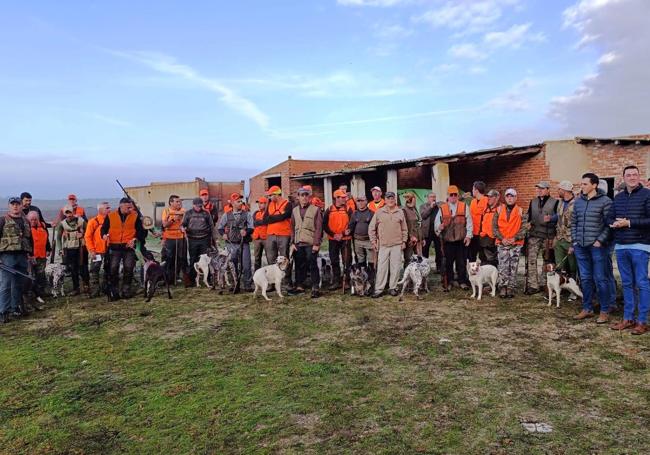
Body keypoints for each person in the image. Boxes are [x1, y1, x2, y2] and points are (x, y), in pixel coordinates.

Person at [608, 165, 650, 335]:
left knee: (641, 283)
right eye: (628, 175)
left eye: (635, 175)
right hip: (621, 245)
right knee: (626, 283)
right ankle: (628, 318)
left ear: (639, 177)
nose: (632, 177)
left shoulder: (647, 195)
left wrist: (629, 222)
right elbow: (608, 217)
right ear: (623, 177)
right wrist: (613, 223)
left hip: (640, 245)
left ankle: (642, 321)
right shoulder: (618, 197)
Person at [571, 173, 613, 323]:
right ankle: (587, 308)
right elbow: (574, 222)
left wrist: (600, 240)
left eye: (584, 184)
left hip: (597, 247)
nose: (581, 187)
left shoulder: (605, 201)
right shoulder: (578, 202)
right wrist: (575, 240)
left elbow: (610, 224)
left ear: (594, 185)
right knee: (585, 278)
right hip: (580, 246)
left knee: (601, 279)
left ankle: (604, 310)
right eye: (581, 184)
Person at [101, 198, 147, 299]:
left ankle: (126, 291)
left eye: (131, 207)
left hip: (128, 248)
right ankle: (114, 291)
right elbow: (103, 228)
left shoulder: (135, 217)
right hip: (114, 247)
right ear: (121, 206)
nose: (130, 209)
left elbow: (141, 232)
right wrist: (104, 235)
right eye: (128, 207)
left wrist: (134, 239)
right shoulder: (110, 216)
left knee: (129, 268)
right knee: (113, 269)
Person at [434, 185, 473, 291]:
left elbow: (469, 222)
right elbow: (436, 224)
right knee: (448, 263)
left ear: (458, 195)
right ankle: (449, 281)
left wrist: (469, 236)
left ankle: (462, 281)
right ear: (448, 196)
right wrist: (439, 227)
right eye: (451, 195)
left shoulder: (464, 206)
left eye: (455, 194)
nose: (453, 196)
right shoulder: (443, 208)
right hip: (448, 241)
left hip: (461, 240)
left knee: (462, 262)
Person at [0, 197, 33, 322]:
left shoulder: (26, 221)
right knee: (6, 285)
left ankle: (15, 308)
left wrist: (31, 254)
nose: (15, 206)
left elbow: (29, 239)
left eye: (17, 204)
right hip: (7, 256)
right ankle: (3, 311)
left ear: (21, 206)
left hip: (22, 256)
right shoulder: (2, 220)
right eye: (13, 204)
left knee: (19, 284)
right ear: (9, 206)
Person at [369, 192, 407, 297]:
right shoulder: (379, 212)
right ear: (385, 200)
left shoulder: (400, 212)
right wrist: (373, 241)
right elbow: (371, 228)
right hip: (383, 245)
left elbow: (404, 229)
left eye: (392, 198)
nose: (390, 200)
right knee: (382, 267)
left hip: (397, 244)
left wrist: (404, 241)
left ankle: (393, 287)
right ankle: (379, 289)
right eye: (388, 198)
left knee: (395, 267)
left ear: (395, 200)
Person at [289, 186, 323, 298]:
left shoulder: (316, 209)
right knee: (299, 265)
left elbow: (319, 228)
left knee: (312, 264)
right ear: (298, 197)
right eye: (301, 195)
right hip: (298, 243)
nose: (304, 197)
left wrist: (316, 244)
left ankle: (315, 287)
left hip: (310, 243)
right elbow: (292, 227)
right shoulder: (294, 210)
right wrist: (292, 243)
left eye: (306, 195)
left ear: (309, 197)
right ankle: (299, 286)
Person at [525, 181, 558, 294]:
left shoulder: (555, 202)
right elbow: (528, 217)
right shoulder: (532, 201)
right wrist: (528, 223)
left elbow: (558, 219)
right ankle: (533, 285)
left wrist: (554, 237)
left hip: (548, 236)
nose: (539, 190)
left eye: (542, 188)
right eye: (538, 188)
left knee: (547, 260)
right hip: (534, 236)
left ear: (548, 190)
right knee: (532, 261)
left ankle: (545, 283)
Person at [493, 189, 526, 298]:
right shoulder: (498, 210)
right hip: (502, 243)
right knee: (503, 266)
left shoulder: (521, 211)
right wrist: (502, 238)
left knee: (513, 266)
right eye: (508, 196)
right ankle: (503, 287)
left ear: (516, 198)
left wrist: (515, 238)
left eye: (512, 196)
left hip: (515, 244)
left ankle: (511, 287)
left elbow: (524, 228)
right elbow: (494, 228)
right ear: (505, 198)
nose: (510, 198)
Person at [217, 195, 254, 291]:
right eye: (238, 201)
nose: (241, 203)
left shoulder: (247, 214)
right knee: (232, 265)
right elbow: (220, 228)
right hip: (231, 243)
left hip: (244, 243)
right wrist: (223, 235)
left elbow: (251, 227)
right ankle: (235, 285)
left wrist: (247, 232)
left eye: (241, 201)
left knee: (246, 265)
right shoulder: (226, 215)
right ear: (232, 203)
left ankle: (247, 285)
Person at [56, 205, 89, 296]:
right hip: (69, 249)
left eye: (70, 212)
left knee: (83, 267)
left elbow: (89, 231)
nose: (69, 215)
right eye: (66, 213)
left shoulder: (81, 221)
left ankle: (86, 285)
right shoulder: (62, 224)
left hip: (81, 248)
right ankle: (76, 288)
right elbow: (58, 238)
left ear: (73, 212)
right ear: (64, 213)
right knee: (73, 269)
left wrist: (83, 235)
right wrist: (60, 249)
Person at [323, 189, 353, 290]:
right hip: (333, 239)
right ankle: (337, 281)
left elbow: (352, 224)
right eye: (342, 197)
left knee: (347, 260)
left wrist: (342, 233)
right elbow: (324, 225)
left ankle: (347, 280)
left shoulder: (348, 209)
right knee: (334, 260)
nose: (345, 199)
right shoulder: (329, 209)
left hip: (346, 239)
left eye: (345, 197)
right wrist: (333, 234)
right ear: (336, 198)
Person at [183, 197, 216, 284]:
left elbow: (211, 226)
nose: (199, 208)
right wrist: (182, 228)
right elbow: (183, 224)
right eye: (197, 206)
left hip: (205, 239)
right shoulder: (188, 213)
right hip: (192, 240)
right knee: (193, 259)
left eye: (201, 206)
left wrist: (214, 238)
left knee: (206, 260)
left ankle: (208, 279)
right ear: (193, 205)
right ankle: (192, 279)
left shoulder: (206, 213)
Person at [553, 181, 578, 297]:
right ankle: (560, 288)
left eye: (559, 189)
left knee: (572, 266)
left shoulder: (577, 203)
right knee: (560, 265)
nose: (558, 191)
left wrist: (574, 243)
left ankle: (573, 290)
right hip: (559, 239)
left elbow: (578, 224)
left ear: (565, 191)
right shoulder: (560, 203)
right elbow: (559, 218)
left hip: (570, 239)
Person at [161, 195, 189, 286]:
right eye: (177, 201)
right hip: (170, 238)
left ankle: (181, 277)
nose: (179, 203)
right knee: (169, 258)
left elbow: (188, 223)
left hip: (181, 237)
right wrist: (173, 220)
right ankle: (168, 279)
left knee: (182, 258)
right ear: (171, 203)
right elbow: (164, 225)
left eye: (180, 201)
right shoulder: (166, 211)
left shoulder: (184, 211)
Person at [85, 202, 111, 297]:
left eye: (109, 208)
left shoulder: (112, 221)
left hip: (109, 250)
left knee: (108, 270)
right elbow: (87, 237)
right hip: (97, 252)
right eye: (107, 208)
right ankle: (95, 291)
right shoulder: (93, 221)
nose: (109, 209)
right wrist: (92, 250)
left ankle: (106, 289)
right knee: (94, 270)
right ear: (100, 210)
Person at [264, 186, 292, 264]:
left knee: (284, 258)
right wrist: (279, 217)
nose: (269, 198)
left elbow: (285, 216)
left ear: (276, 194)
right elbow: (265, 219)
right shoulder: (270, 204)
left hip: (284, 235)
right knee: (271, 258)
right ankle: (273, 275)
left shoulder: (288, 204)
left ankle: (286, 276)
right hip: (270, 234)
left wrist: (271, 218)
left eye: (270, 195)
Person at [27, 211, 50, 305]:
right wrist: (28, 255)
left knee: (41, 275)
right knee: (31, 277)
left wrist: (49, 249)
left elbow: (47, 239)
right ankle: (31, 295)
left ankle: (40, 293)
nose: (33, 221)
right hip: (30, 257)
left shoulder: (43, 226)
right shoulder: (26, 228)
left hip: (42, 256)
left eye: (35, 219)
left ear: (38, 219)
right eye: (31, 219)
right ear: (28, 219)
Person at [348, 194, 374, 272]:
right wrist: (348, 230)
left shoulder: (371, 213)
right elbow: (351, 226)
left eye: (362, 200)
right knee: (360, 260)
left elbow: (375, 228)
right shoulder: (354, 213)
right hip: (357, 241)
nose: (360, 203)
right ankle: (362, 278)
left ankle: (371, 279)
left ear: (366, 201)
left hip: (368, 241)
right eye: (358, 201)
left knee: (371, 261)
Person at [477, 189, 500, 267]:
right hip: (483, 239)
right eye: (488, 197)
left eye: (491, 197)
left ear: (497, 198)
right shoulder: (485, 208)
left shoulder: (501, 209)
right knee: (483, 260)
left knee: (492, 262)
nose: (488, 198)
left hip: (493, 240)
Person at [420, 192, 442, 272]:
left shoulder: (439, 206)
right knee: (425, 250)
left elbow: (448, 202)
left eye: (434, 196)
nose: (433, 198)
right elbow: (423, 216)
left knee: (438, 250)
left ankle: (438, 267)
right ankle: (425, 267)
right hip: (427, 232)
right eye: (431, 197)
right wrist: (430, 207)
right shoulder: (423, 206)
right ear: (428, 198)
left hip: (437, 232)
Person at [468, 181, 488, 262]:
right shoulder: (473, 202)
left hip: (483, 234)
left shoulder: (487, 201)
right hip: (473, 234)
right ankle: (472, 273)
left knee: (483, 256)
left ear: (476, 190)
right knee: (471, 256)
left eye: (473, 189)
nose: (472, 191)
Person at [402, 192, 422, 263]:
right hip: (410, 239)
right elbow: (404, 226)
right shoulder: (404, 210)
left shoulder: (415, 209)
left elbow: (418, 224)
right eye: (414, 198)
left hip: (418, 238)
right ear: (411, 199)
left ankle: (417, 273)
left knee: (419, 258)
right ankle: (407, 273)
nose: (415, 200)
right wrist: (410, 236)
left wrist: (421, 238)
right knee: (408, 259)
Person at [252, 196, 268, 271]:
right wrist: (261, 222)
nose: (260, 205)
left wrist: (259, 222)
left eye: (261, 203)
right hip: (257, 238)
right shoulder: (255, 213)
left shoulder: (268, 213)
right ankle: (257, 274)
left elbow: (266, 222)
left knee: (269, 257)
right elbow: (253, 223)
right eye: (259, 203)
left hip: (266, 238)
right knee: (257, 258)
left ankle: (270, 274)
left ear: (265, 204)